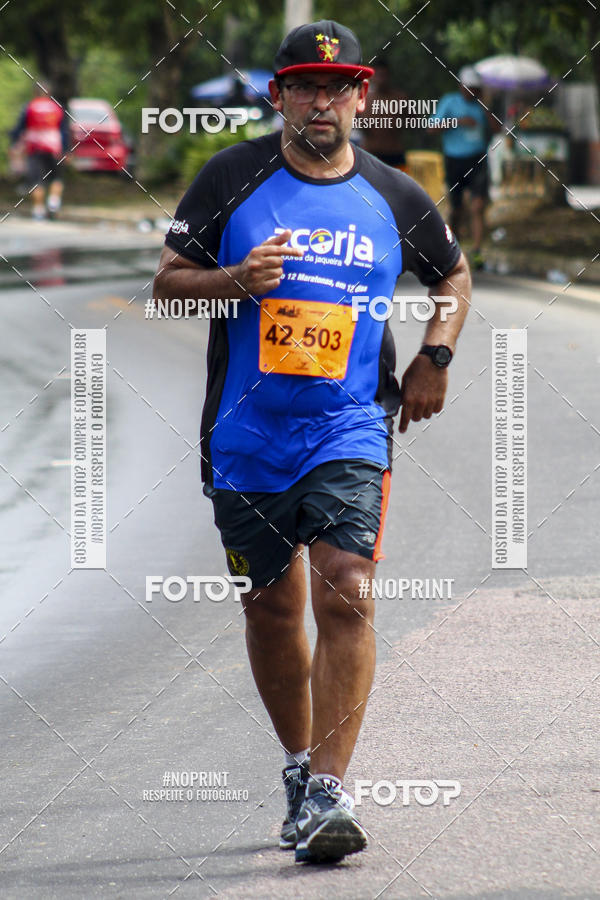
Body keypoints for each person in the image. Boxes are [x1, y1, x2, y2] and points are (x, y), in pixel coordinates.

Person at [153, 19, 470, 864]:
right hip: (247, 436)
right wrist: (233, 279)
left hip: (349, 425)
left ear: (362, 97)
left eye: (338, 87)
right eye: (304, 87)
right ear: (278, 96)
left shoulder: (394, 194)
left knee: (348, 591)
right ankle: (299, 768)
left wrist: (436, 355)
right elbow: (166, 287)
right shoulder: (231, 177)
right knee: (271, 608)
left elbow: (452, 273)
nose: (321, 102)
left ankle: (331, 789)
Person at [431, 66, 495, 269]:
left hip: (477, 159)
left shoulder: (481, 106)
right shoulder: (450, 102)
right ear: (461, 86)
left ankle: (477, 251)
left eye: (476, 88)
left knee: (478, 206)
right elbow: (431, 128)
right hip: (455, 159)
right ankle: (452, 248)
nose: (472, 92)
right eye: (469, 88)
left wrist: (486, 106)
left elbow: (497, 128)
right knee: (457, 208)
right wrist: (458, 122)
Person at [10, 83, 69, 220]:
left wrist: (13, 142)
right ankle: (53, 204)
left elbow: (19, 129)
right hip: (54, 149)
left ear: (35, 93)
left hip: (34, 149)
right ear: (49, 93)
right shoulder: (57, 108)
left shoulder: (29, 107)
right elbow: (64, 131)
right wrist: (66, 150)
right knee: (56, 178)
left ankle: (38, 211)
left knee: (36, 181)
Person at [360, 60, 408, 169]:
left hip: (394, 154)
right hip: (370, 153)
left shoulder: (400, 98)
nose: (381, 79)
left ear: (389, 76)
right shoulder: (363, 99)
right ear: (372, 77)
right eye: (378, 75)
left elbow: (412, 122)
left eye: (383, 75)